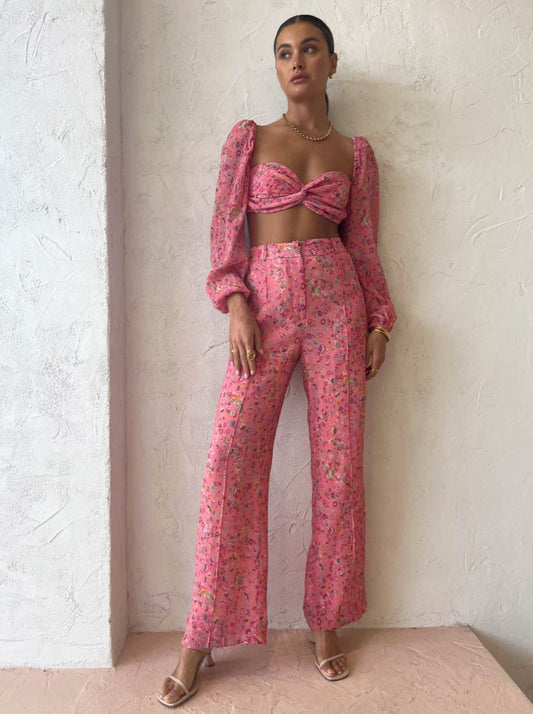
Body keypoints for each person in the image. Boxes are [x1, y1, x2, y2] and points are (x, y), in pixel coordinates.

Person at [158, 14, 396, 708]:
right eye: (285, 52)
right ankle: (201, 636)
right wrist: (235, 302)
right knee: (229, 460)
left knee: (339, 467)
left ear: (331, 63)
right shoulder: (251, 139)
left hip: (337, 309)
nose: (297, 62)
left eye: (310, 49)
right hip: (262, 308)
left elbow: (364, 243)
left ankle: (326, 622)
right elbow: (224, 230)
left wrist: (380, 320)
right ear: (276, 66)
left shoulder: (355, 153)